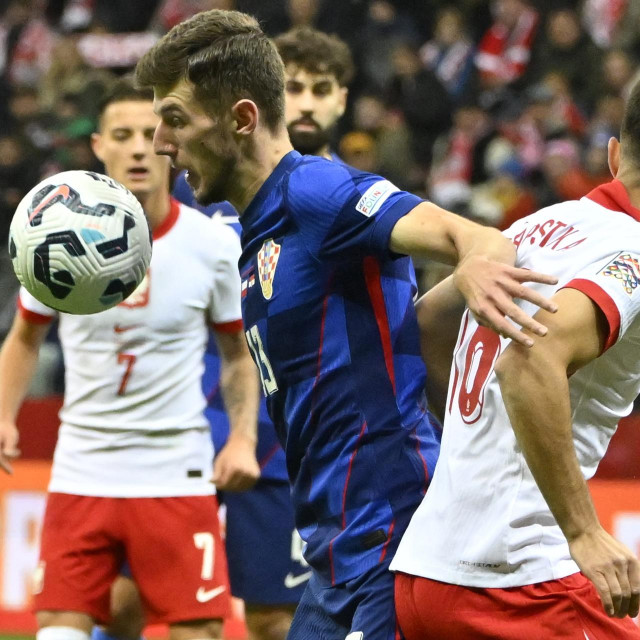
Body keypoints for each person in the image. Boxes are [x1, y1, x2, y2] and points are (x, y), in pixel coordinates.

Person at [135, 10, 558, 639]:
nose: (161, 144)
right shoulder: (259, 227)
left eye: (174, 119)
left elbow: (474, 238)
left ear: (242, 118)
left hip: (394, 537)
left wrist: (472, 265)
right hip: (335, 551)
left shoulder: (316, 191)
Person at [0, 77, 261, 640]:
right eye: (123, 134)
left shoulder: (212, 244)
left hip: (176, 470)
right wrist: (2, 416)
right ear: (98, 146)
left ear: (171, 141)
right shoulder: (53, 235)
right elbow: (24, 337)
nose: (139, 147)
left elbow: (237, 354)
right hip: (81, 468)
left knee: (199, 631)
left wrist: (242, 437)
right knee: (58, 631)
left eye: (151, 133)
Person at [391, 81, 640, 639]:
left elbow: (428, 320)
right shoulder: (634, 256)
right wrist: (582, 532)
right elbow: (529, 362)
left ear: (614, 154)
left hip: (427, 573)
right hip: (518, 582)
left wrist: (470, 431)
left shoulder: (532, 226)